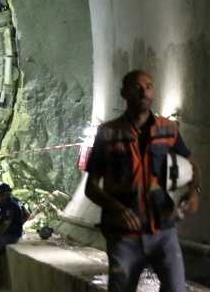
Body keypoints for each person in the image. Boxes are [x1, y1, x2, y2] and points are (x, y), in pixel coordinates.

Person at [85, 70, 202, 292]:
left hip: (163, 231)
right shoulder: (108, 133)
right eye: (137, 87)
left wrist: (194, 191)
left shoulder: (168, 128)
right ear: (123, 93)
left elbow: (193, 165)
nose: (144, 92)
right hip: (123, 237)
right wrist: (117, 209)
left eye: (148, 86)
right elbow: (91, 187)